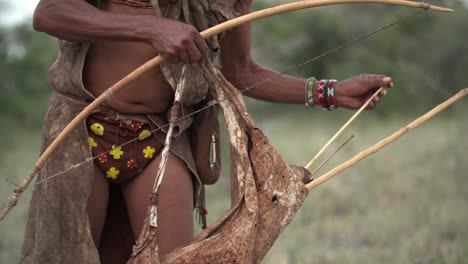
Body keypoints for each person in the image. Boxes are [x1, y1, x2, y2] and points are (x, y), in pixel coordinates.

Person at [22, 0, 392, 263]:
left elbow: (242, 72)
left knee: (179, 258)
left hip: (162, 138)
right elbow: (50, 12)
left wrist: (331, 92)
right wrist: (151, 28)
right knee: (68, 253)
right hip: (83, 130)